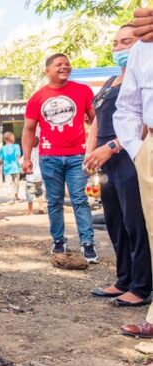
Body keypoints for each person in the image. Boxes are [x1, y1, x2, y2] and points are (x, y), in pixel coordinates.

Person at [84, 25, 150, 307]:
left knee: (135, 223)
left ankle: (141, 285)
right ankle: (123, 278)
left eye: (126, 42)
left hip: (127, 155)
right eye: (115, 43)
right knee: (114, 221)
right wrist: (89, 157)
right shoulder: (112, 80)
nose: (119, 48)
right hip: (103, 160)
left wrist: (112, 148)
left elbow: (144, 125)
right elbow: (96, 122)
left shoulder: (143, 79)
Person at [20, 53, 98, 263]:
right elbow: (28, 129)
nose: (65, 67)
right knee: (53, 201)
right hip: (49, 157)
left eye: (67, 64)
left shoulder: (82, 90)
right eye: (59, 64)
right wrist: (26, 157)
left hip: (78, 156)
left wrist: (93, 149)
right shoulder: (37, 97)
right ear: (47, 71)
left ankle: (87, 243)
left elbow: (96, 120)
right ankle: (58, 241)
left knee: (80, 199)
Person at [116, 21, 153, 338]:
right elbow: (127, 104)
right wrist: (139, 149)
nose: (120, 47)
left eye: (122, 41)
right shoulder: (143, 48)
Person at [0, 131, 22, 204]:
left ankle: (11, 198)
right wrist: (21, 165)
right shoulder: (16, 146)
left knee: (9, 184)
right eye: (13, 137)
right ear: (11, 138)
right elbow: (18, 157)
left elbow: (1, 159)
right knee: (16, 183)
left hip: (7, 169)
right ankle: (16, 196)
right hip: (16, 168)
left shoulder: (3, 148)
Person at [24, 137, 45, 215]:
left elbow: (22, 162)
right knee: (39, 192)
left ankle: (30, 210)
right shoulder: (40, 152)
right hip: (39, 176)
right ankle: (41, 207)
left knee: (29, 193)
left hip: (31, 176)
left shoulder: (28, 153)